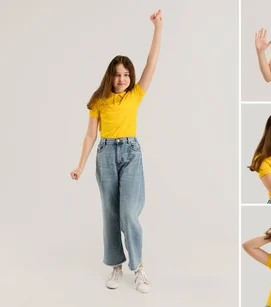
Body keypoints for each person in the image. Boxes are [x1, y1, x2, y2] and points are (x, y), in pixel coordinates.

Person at [70, 9, 163, 293]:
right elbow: (90, 135)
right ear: (110, 76)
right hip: (106, 155)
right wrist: (80, 165)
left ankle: (139, 267)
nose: (122, 78)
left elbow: (152, 62)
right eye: (118, 74)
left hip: (131, 154)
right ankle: (116, 265)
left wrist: (158, 27)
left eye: (126, 74)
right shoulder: (98, 100)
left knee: (129, 213)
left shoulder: (135, 94)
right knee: (110, 212)